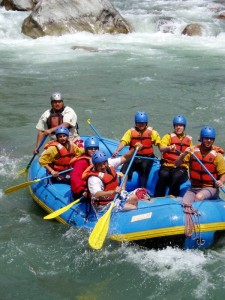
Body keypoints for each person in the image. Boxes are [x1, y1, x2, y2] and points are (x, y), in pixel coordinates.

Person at [175, 126, 225, 204]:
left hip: (210, 188)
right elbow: (176, 163)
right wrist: (183, 154)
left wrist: (221, 181)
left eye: (211, 139)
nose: (209, 141)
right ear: (201, 139)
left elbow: (223, 174)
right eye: (206, 138)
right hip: (194, 187)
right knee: (184, 203)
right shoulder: (192, 151)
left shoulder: (217, 156)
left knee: (199, 197)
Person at [112, 111, 161, 188]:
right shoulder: (130, 132)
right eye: (139, 123)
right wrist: (117, 150)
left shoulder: (153, 133)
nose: (141, 125)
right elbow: (123, 142)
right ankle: (122, 188)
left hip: (147, 157)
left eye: (143, 123)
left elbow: (159, 144)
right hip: (133, 156)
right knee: (125, 168)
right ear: (136, 123)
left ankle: (143, 189)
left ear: (146, 123)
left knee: (144, 169)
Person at [154, 115, 193, 197]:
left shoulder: (189, 140)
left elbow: (191, 157)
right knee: (163, 175)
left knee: (176, 176)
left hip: (181, 168)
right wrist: (169, 147)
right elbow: (161, 148)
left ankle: (173, 196)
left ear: (184, 127)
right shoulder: (167, 137)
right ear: (174, 126)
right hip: (167, 166)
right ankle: (158, 196)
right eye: (176, 125)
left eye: (181, 126)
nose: (178, 127)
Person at [70, 136, 99, 200]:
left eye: (95, 148)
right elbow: (75, 178)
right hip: (82, 191)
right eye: (90, 148)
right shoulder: (81, 162)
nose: (93, 150)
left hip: (93, 186)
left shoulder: (99, 160)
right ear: (86, 149)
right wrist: (82, 190)